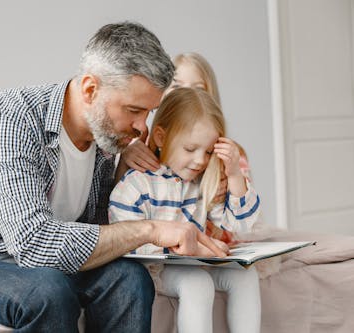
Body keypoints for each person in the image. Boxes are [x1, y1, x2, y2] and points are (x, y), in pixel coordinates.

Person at [0, 22, 227, 332]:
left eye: (148, 112)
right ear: (90, 89)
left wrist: (122, 176)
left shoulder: (107, 141)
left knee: (129, 279)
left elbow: (97, 236)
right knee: (46, 291)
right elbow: (33, 244)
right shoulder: (10, 119)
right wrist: (151, 230)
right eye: (133, 110)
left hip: (48, 269)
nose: (142, 126)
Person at [109, 87, 262, 333]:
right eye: (191, 149)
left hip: (192, 263)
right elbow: (124, 243)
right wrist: (193, 249)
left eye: (208, 152)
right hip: (154, 270)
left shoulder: (201, 183)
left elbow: (240, 226)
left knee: (246, 275)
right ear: (160, 137)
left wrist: (234, 174)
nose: (201, 161)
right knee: (197, 283)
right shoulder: (136, 185)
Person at [116, 52, 252, 242]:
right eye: (177, 86)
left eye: (199, 88)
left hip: (213, 245)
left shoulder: (222, 161)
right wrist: (125, 158)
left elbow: (240, 225)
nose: (187, 94)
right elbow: (120, 214)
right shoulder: (141, 155)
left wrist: (232, 178)